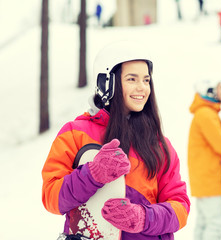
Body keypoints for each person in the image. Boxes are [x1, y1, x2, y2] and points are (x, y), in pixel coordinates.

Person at [41, 41, 190, 240]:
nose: (142, 88)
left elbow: (180, 208)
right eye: (132, 79)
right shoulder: (74, 133)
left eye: (146, 80)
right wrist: (92, 175)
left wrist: (144, 218)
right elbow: (51, 197)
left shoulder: (160, 146)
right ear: (106, 83)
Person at [188, 79, 221, 240]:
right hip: (208, 178)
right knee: (215, 224)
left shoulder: (204, 113)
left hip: (203, 177)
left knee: (204, 223)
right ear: (210, 90)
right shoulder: (206, 114)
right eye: (220, 88)